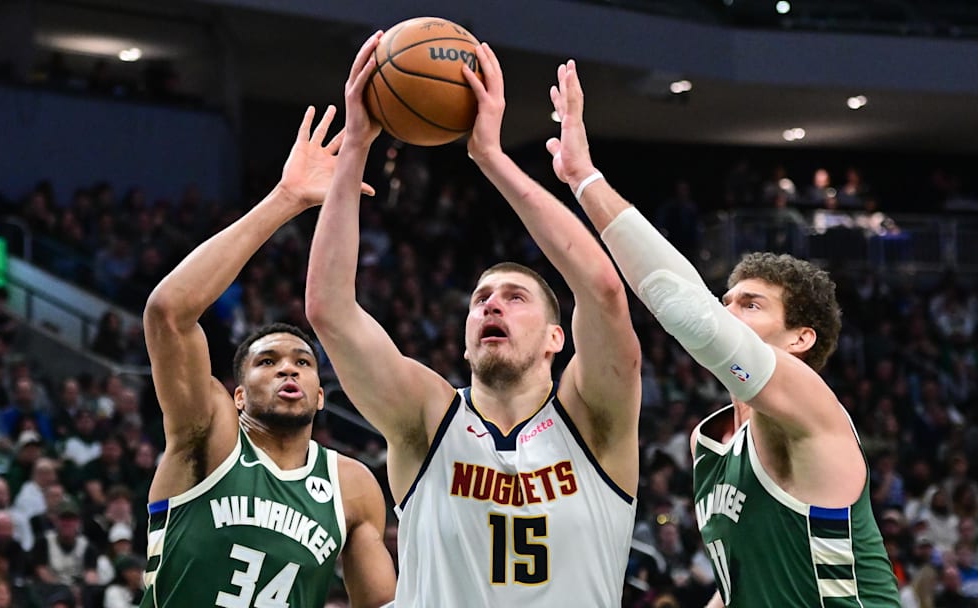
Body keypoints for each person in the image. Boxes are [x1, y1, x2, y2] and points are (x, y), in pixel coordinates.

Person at [548, 59, 901, 606]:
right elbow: (741, 586)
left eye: (752, 305)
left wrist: (583, 179)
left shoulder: (808, 405)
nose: (728, 312)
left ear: (800, 338)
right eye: (726, 301)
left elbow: (686, 310)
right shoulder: (708, 443)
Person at [306, 33, 642, 606]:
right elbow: (330, 310)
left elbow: (605, 290)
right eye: (481, 298)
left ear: (555, 339)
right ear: (464, 341)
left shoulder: (595, 424)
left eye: (516, 297)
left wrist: (491, 156)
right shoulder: (426, 417)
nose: (491, 304)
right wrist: (358, 143)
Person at [139, 106, 395, 608]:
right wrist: (286, 199)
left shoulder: (353, 486)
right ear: (236, 396)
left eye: (302, 362)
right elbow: (168, 312)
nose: (287, 368)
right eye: (267, 361)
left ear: (322, 397)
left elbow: (382, 605)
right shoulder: (207, 437)